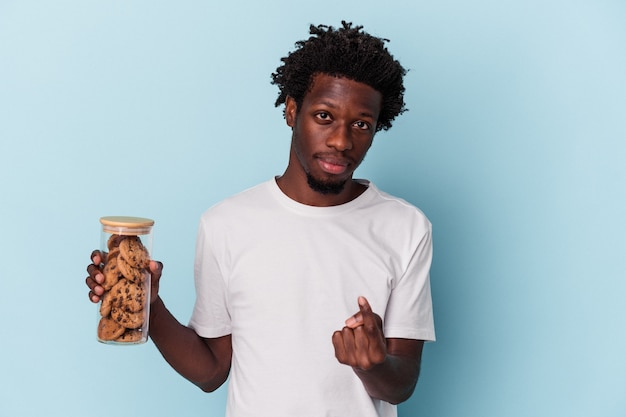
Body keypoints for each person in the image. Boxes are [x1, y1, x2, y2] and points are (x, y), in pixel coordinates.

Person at [86, 21, 435, 417]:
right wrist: (150, 304)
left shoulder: (406, 227)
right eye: (324, 116)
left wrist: (373, 365)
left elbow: (402, 383)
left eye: (361, 124)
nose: (341, 140)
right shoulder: (226, 224)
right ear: (291, 111)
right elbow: (211, 372)